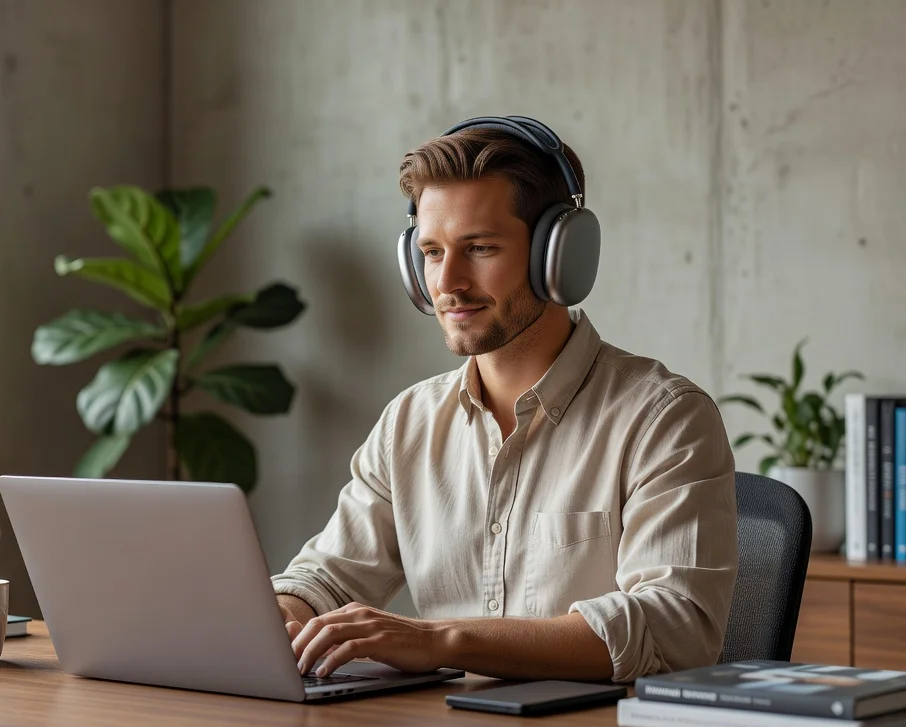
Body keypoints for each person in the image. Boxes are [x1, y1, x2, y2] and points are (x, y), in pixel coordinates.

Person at [271, 117, 737, 684]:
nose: (448, 283)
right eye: (432, 252)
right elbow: (328, 578)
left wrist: (440, 638)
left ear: (558, 255)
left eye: (481, 248)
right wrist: (282, 615)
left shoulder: (663, 419)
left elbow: (673, 627)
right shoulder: (409, 423)